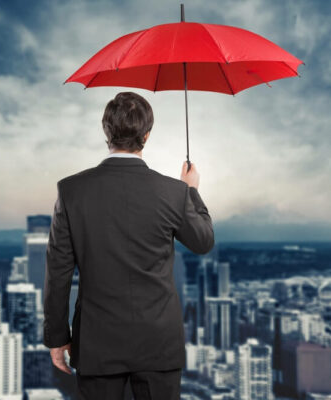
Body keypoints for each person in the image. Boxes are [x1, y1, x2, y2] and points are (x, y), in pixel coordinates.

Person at [43, 91, 214, 399]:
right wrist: (191, 191)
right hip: (158, 342)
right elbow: (202, 241)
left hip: (97, 342)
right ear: (146, 135)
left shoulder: (71, 191)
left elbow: (58, 272)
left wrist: (57, 337)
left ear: (105, 130)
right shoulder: (172, 192)